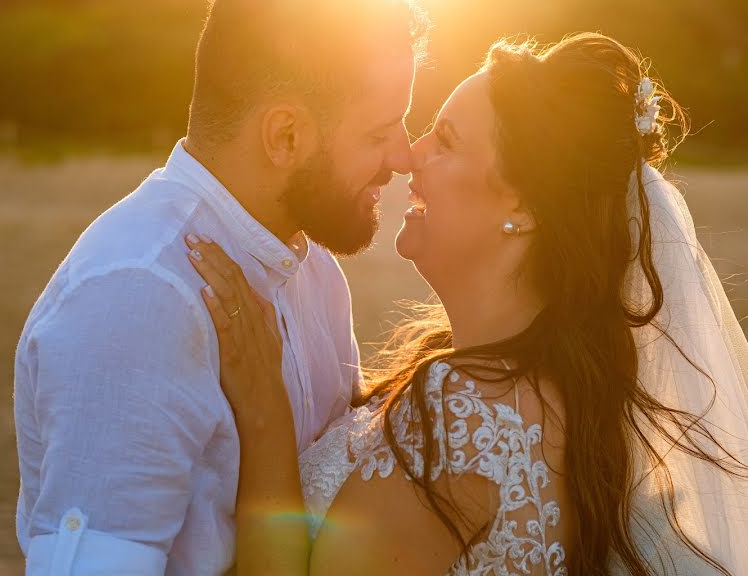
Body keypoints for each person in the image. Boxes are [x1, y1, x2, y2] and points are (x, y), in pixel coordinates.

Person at [185, 32, 748, 574]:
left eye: (446, 140)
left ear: (524, 211)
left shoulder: (466, 413)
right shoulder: (562, 392)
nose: (410, 157)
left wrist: (264, 419)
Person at [12, 0, 429, 573]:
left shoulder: (316, 276)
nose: (404, 156)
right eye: (380, 132)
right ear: (285, 136)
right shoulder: (140, 294)